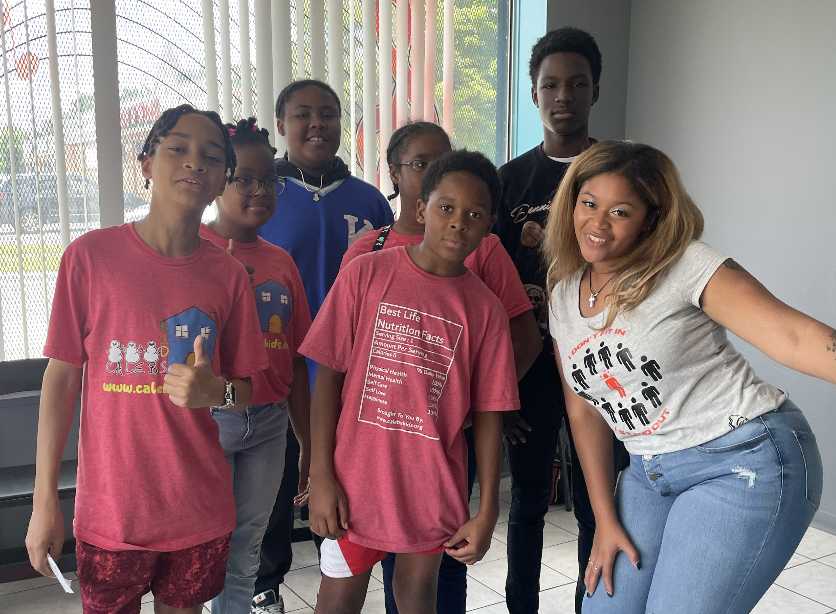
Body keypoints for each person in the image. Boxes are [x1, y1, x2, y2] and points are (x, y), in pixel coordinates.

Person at [543, 140, 829, 614]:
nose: (596, 224)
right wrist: (603, 516)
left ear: (650, 219)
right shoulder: (563, 294)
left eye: (620, 212)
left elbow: (793, 337)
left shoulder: (684, 265)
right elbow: (582, 406)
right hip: (647, 473)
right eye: (588, 203)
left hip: (742, 457)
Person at [25, 104, 270, 614]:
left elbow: (246, 387)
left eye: (211, 156)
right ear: (146, 162)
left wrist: (215, 392)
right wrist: (44, 501)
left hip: (198, 510)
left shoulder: (227, 275)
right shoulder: (90, 258)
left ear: (224, 177)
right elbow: (62, 379)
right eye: (177, 147)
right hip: (113, 513)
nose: (194, 163)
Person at [302, 150, 520, 614]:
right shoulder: (365, 274)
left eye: (474, 214)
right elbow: (327, 379)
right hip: (354, 480)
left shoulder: (485, 311)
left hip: (432, 484)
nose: (458, 223)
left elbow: (488, 413)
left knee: (418, 596)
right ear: (421, 209)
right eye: (446, 208)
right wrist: (321, 473)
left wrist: (486, 511)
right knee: (338, 599)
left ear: (489, 226)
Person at [254, 79, 394, 613]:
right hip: (279, 375)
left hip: (351, 379)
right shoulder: (264, 195)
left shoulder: (369, 200)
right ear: (282, 123)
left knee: (338, 495)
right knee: (275, 488)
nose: (317, 124)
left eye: (329, 114)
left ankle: (338, 585)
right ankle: (266, 588)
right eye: (303, 114)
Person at [495, 26, 621, 614]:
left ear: (595, 90)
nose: (563, 95)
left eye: (576, 83)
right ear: (533, 91)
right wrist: (503, 382)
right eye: (550, 84)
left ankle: (589, 605)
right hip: (530, 368)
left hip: (604, 364)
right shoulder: (507, 181)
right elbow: (485, 281)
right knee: (526, 502)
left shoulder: (620, 172)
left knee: (600, 501)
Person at [199, 117, 313, 614]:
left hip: (269, 425)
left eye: (268, 179)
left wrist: (308, 442)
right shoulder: (193, 252)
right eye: (244, 178)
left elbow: (298, 360)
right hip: (210, 422)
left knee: (247, 547)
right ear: (218, 177)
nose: (258, 190)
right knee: (204, 543)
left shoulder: (282, 263)